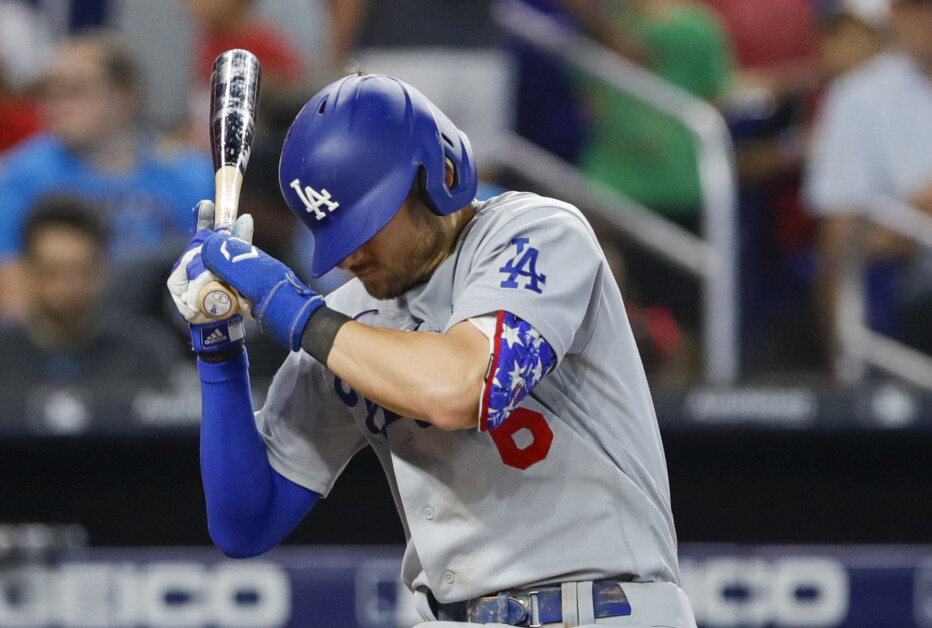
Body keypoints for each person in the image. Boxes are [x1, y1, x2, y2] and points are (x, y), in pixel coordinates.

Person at [166, 74, 695, 627]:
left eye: (365, 222)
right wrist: (219, 353)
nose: (349, 254)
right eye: (334, 233)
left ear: (440, 176)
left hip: (598, 609)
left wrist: (293, 310)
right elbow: (246, 524)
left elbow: (460, 389)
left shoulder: (538, 233)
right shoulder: (343, 320)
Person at [0, 31, 213, 317]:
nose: (54, 104)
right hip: (68, 334)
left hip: (166, 335)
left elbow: (214, 280)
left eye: (75, 90)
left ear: (125, 96)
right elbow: (14, 297)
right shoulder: (21, 176)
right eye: (49, 91)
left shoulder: (190, 175)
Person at [804, 0, 932, 368]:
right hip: (914, 280)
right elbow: (841, 239)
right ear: (893, 13)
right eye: (916, 7)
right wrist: (914, 218)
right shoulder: (859, 96)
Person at [0, 195, 179, 390]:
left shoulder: (143, 355)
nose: (65, 287)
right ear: (27, 270)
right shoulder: (5, 354)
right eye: (52, 271)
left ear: (101, 270)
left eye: (79, 271)